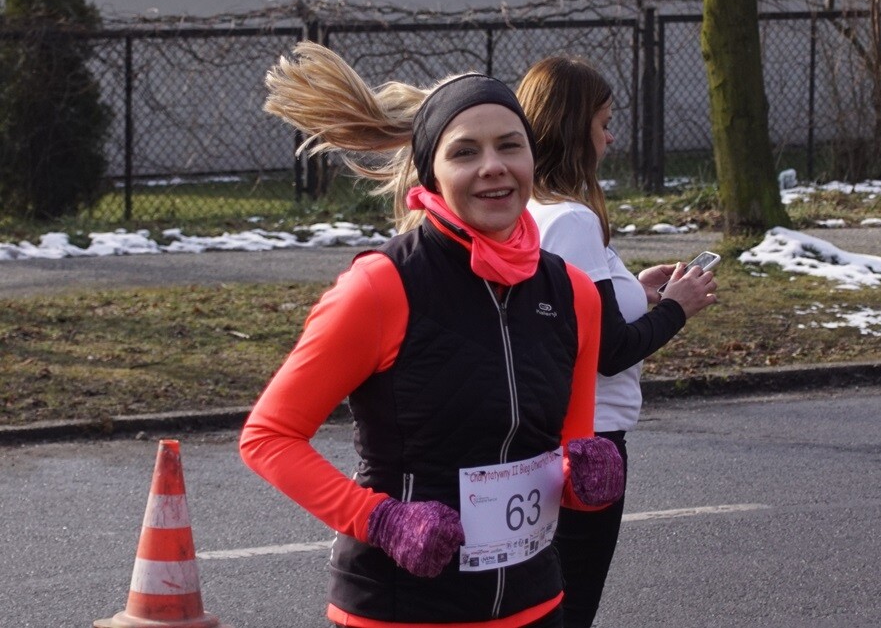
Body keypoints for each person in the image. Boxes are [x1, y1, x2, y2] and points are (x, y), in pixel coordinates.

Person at [239, 42, 625, 628]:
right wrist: (382, 520)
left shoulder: (573, 292)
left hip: (535, 604)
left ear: (533, 158)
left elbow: (566, 449)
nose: (492, 166)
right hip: (401, 609)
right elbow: (269, 437)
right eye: (465, 152)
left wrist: (584, 476)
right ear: (432, 175)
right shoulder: (381, 287)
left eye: (510, 145)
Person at [516, 55, 718, 628]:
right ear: (572, 127)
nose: (610, 137)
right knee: (569, 608)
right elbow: (609, 351)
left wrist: (637, 290)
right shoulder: (573, 219)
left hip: (538, 433)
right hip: (590, 440)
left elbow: (566, 316)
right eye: (603, 123)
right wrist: (678, 308)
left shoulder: (528, 208)